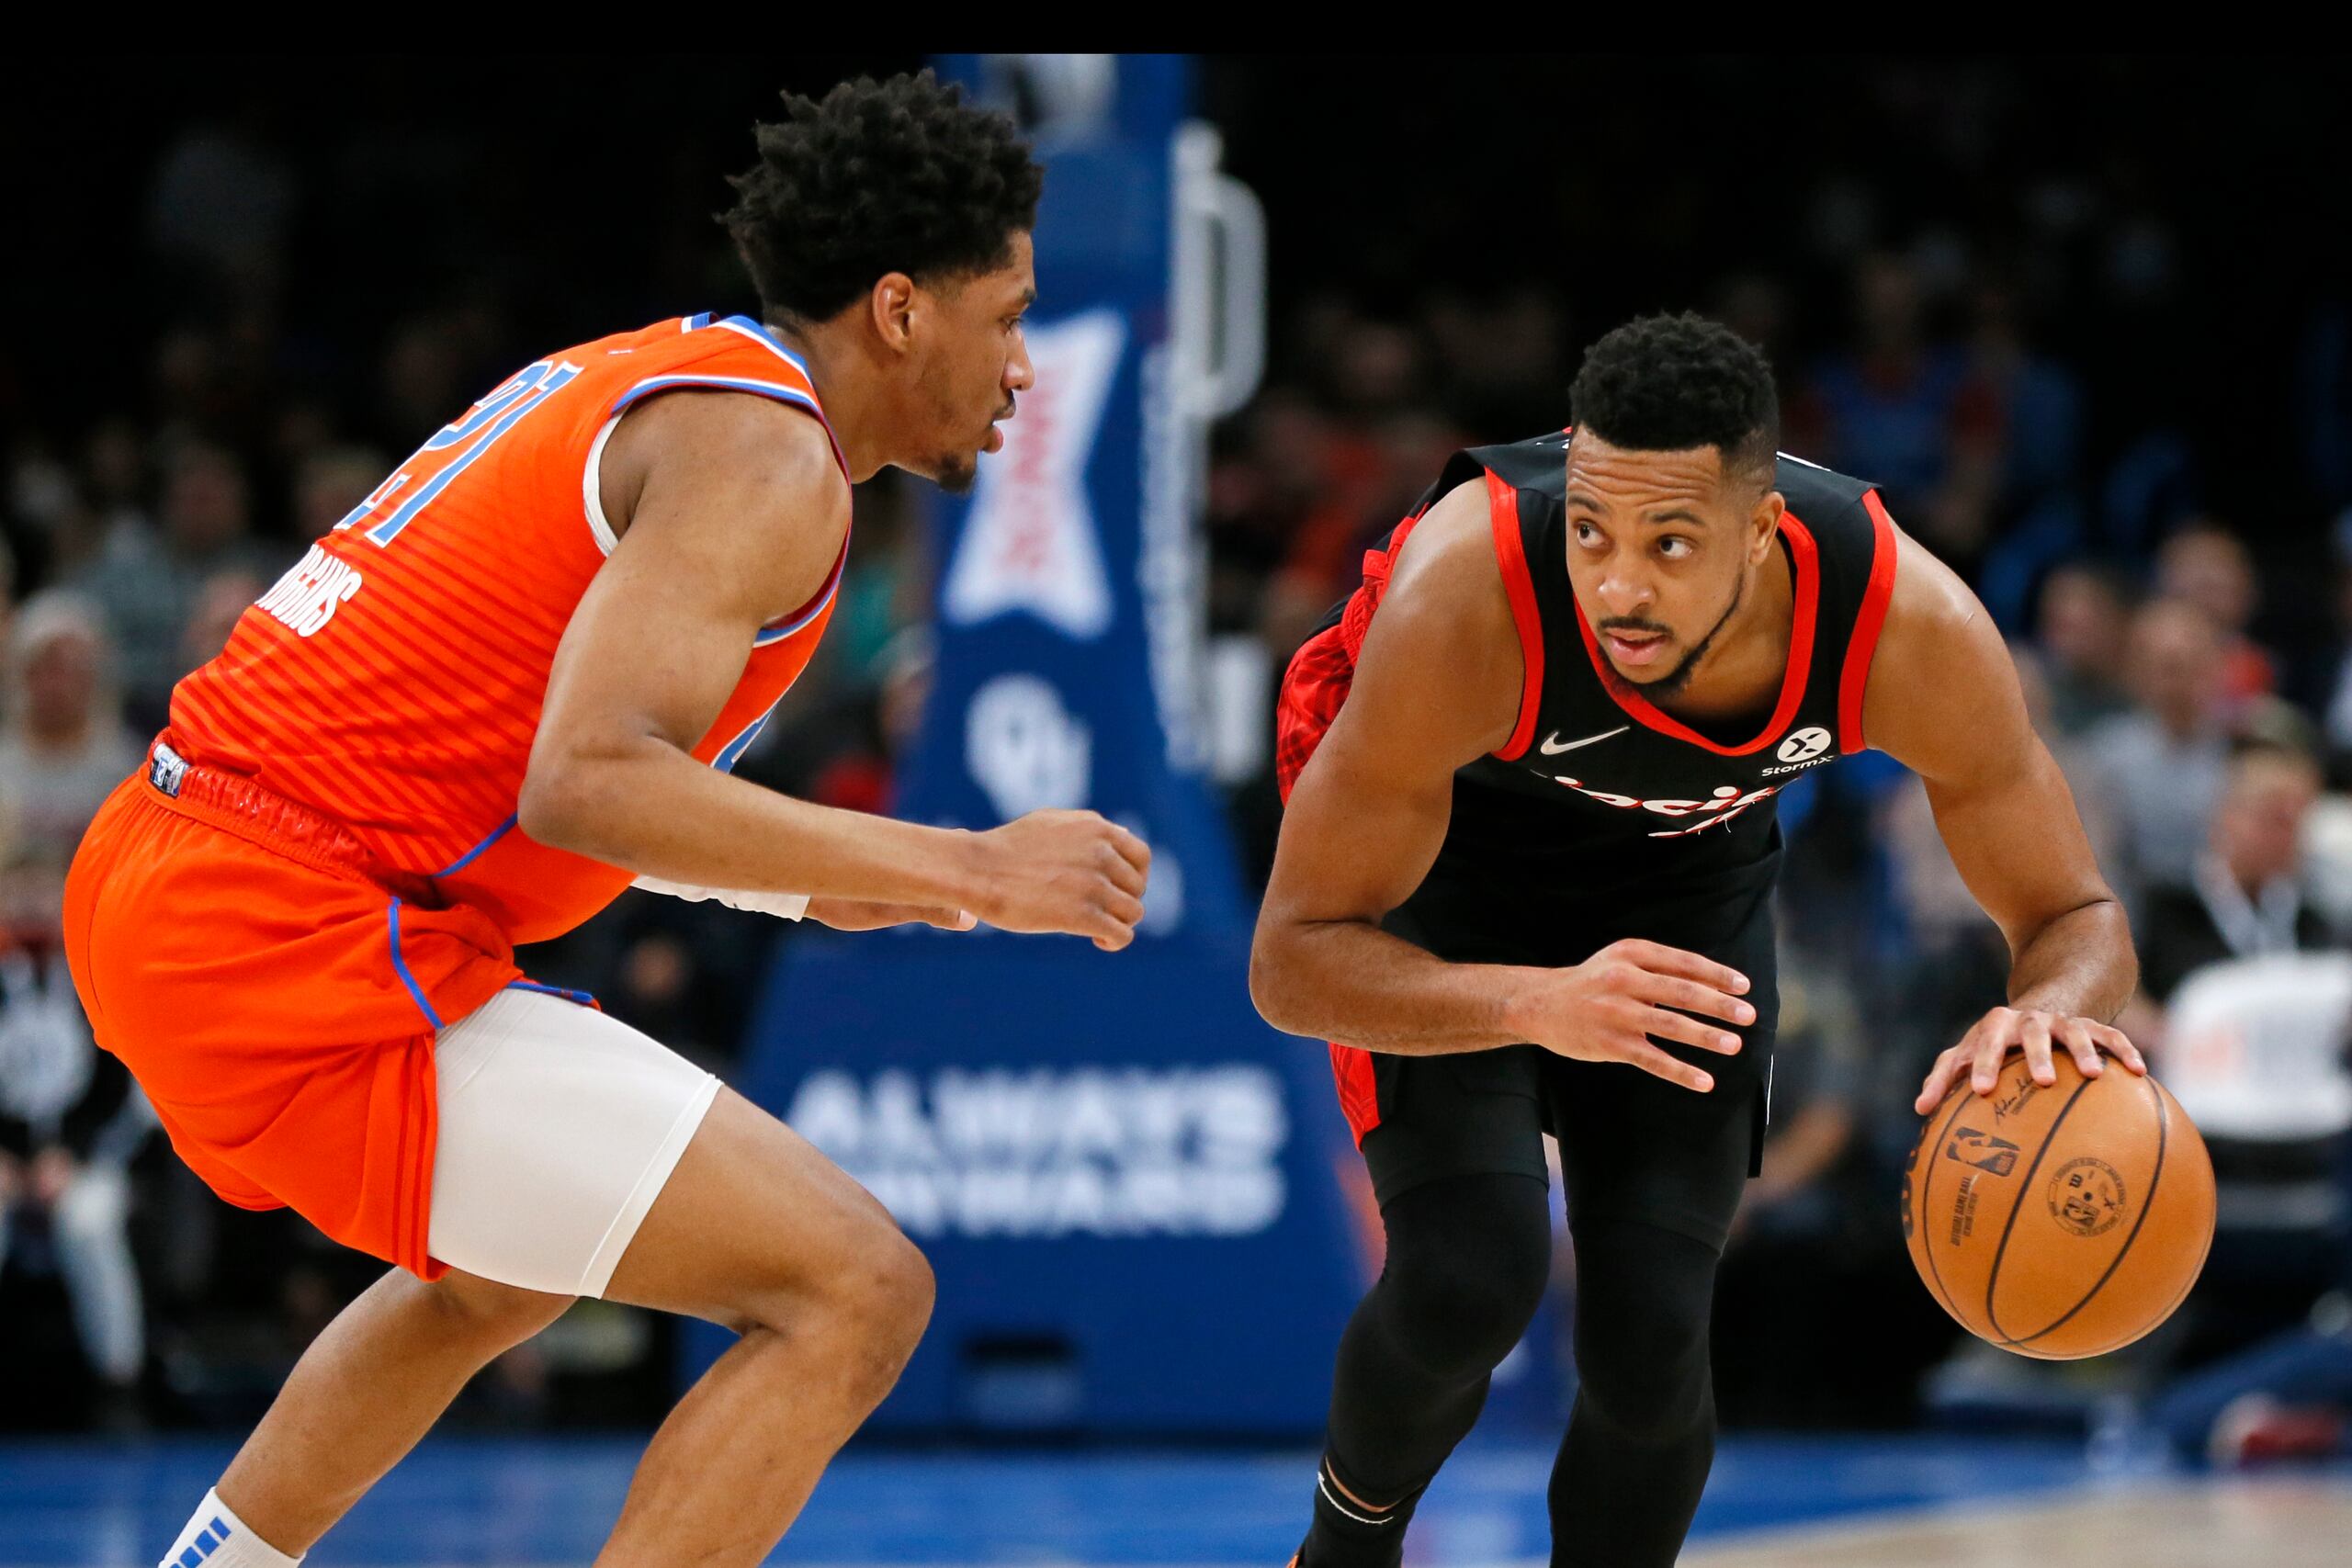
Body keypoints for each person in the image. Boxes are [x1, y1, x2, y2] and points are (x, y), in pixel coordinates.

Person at [63, 72, 1150, 1568]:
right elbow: (588, 781)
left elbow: (558, 751)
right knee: (855, 1288)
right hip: (286, 917)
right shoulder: (771, 459)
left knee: (506, 1270)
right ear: (900, 310)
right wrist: (970, 865)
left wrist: (799, 889)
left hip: (179, 864)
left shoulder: (678, 379)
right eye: (1009, 313)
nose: (1023, 366)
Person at [1252, 313, 2143, 1568]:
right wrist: (1532, 1004)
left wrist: (2054, 1006)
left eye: (1670, 543)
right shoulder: (1468, 596)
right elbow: (1292, 961)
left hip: (1681, 886)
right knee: (1472, 1274)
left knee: (1653, 1331)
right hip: (1446, 871)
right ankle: (1341, 1550)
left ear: (1764, 532)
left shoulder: (1904, 626)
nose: (1619, 586)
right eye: (1594, 534)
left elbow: (2078, 915)